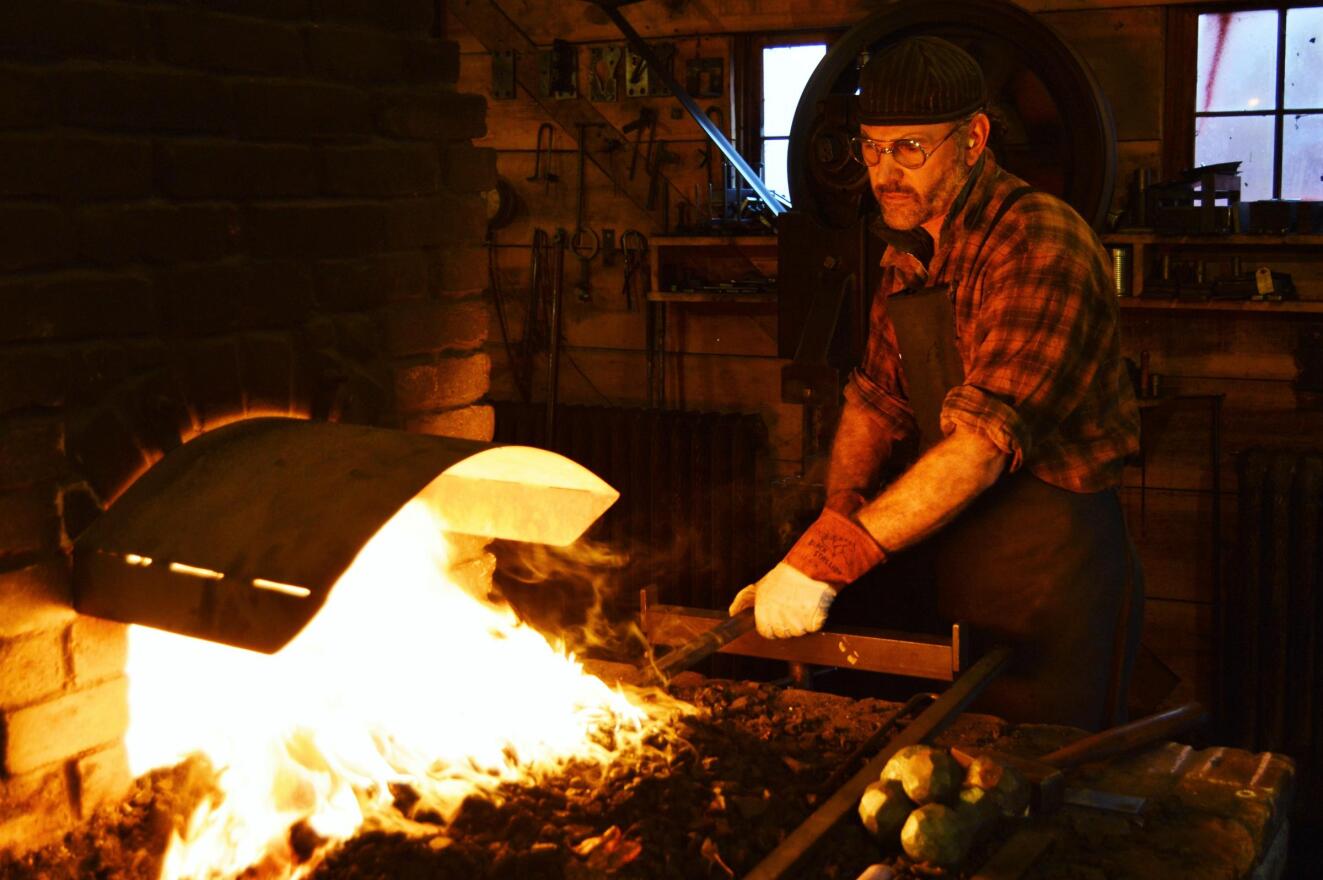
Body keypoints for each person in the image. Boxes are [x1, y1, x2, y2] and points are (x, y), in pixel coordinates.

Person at [730, 36, 1143, 730]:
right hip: (955, 558)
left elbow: (980, 447)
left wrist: (833, 563)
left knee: (1028, 777)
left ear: (973, 137)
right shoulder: (912, 249)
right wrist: (832, 520)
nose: (884, 172)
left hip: (1048, 573)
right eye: (871, 148)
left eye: (910, 149)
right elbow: (875, 400)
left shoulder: (1039, 242)